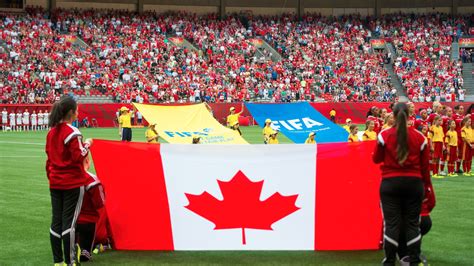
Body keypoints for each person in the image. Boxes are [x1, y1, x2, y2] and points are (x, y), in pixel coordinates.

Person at [373, 102, 432, 265]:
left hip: (390, 183)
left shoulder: (384, 135)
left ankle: (390, 261)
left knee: (391, 224)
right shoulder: (420, 137)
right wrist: (427, 188)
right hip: (414, 184)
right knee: (413, 224)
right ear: (409, 114)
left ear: (393, 114)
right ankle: (414, 260)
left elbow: (376, 158)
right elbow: (425, 167)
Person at [46, 96, 93, 265]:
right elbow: (78, 156)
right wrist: (87, 144)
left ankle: (58, 261)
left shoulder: (51, 132)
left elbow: (49, 159)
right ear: (72, 112)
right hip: (72, 183)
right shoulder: (73, 133)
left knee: (56, 222)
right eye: (77, 109)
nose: (78, 112)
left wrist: (51, 178)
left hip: (55, 182)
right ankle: (71, 261)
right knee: (69, 223)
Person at [76, 156, 105, 262]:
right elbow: (99, 203)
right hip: (88, 221)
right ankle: (85, 251)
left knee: (71, 242)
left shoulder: (67, 178)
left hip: (70, 220)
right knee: (86, 250)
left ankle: (72, 249)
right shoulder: (92, 180)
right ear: (87, 161)